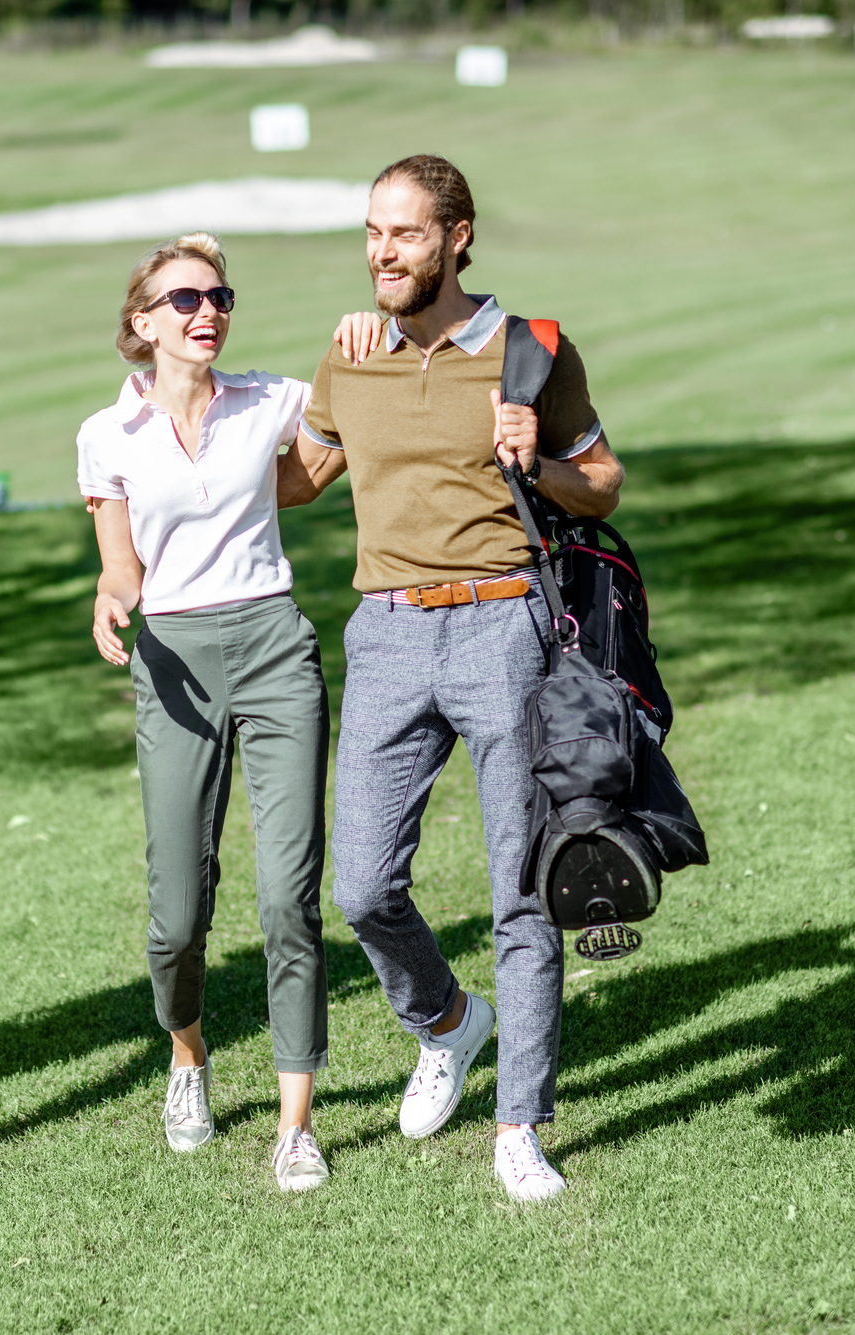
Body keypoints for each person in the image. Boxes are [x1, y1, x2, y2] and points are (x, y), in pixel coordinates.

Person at [280, 155, 626, 1202]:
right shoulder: (350, 357)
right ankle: (444, 1019)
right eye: (372, 234)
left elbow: (601, 485)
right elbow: (295, 479)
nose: (382, 252)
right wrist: (185, 420)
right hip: (384, 634)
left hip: (502, 630)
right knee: (361, 888)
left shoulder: (532, 352)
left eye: (405, 234)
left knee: (520, 895)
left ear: (457, 236)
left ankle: (519, 1127)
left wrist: (540, 459)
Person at [80, 234, 379, 1193]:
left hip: (274, 648)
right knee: (177, 913)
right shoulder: (105, 433)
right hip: (172, 657)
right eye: (183, 300)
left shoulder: (271, 399)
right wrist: (111, 595)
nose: (206, 312)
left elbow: (330, 435)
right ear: (142, 324)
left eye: (218, 296)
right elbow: (118, 558)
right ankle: (188, 1055)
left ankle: (296, 1123)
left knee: (291, 897)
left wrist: (359, 334)